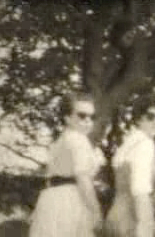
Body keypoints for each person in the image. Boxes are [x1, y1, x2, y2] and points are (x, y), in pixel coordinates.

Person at [29, 93, 105, 237]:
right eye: (82, 116)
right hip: (70, 200)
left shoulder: (61, 140)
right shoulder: (78, 140)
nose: (88, 121)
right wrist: (96, 210)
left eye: (92, 117)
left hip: (50, 199)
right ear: (67, 118)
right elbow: (82, 178)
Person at [104, 98, 155, 237]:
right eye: (150, 117)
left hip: (114, 217)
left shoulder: (128, 144)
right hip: (132, 220)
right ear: (138, 119)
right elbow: (140, 190)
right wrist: (145, 228)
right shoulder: (145, 144)